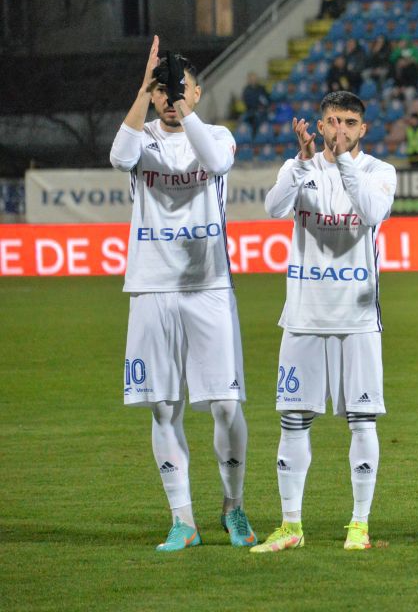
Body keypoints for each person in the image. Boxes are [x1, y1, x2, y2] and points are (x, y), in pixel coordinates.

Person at [110, 36, 256, 551]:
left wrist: (182, 105)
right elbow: (118, 155)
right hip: (151, 286)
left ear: (198, 94)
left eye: (180, 89)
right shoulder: (140, 135)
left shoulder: (216, 134)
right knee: (162, 406)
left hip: (208, 284)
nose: (171, 98)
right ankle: (183, 519)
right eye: (163, 91)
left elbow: (214, 162)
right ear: (151, 96)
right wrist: (145, 87)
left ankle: (233, 506)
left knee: (223, 404)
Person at [253, 91, 397, 553]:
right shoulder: (300, 168)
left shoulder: (380, 172)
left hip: (357, 318)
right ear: (318, 125)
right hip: (303, 315)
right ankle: (291, 525)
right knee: (293, 420)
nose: (340, 130)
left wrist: (341, 163)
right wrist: (301, 161)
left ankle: (359, 525)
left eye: (349, 122)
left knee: (362, 421)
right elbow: (272, 208)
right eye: (332, 121)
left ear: (363, 129)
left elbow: (372, 214)